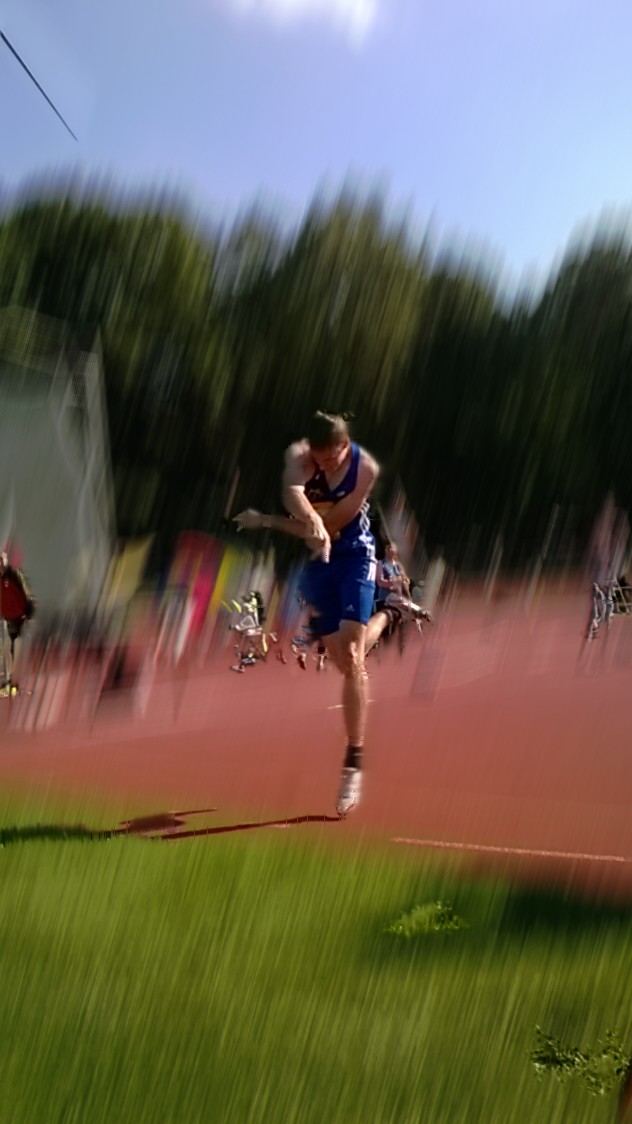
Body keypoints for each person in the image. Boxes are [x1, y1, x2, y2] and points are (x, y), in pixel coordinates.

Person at [234, 410, 430, 816]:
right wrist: (306, 520)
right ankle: (390, 613)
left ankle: (353, 762)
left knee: (354, 657)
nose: (322, 466)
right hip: (320, 564)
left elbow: (336, 522)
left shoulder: (365, 468)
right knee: (341, 660)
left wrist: (310, 525)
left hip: (356, 557)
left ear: (345, 447)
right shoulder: (299, 455)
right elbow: (294, 495)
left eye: (331, 459)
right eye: (318, 459)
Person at [0, 550, 35, 693]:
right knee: (7, 648)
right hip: (9, 616)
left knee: (15, 646)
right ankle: (11, 678)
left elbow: (24, 591)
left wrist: (28, 610)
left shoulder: (13, 575)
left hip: (18, 615)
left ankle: (13, 679)